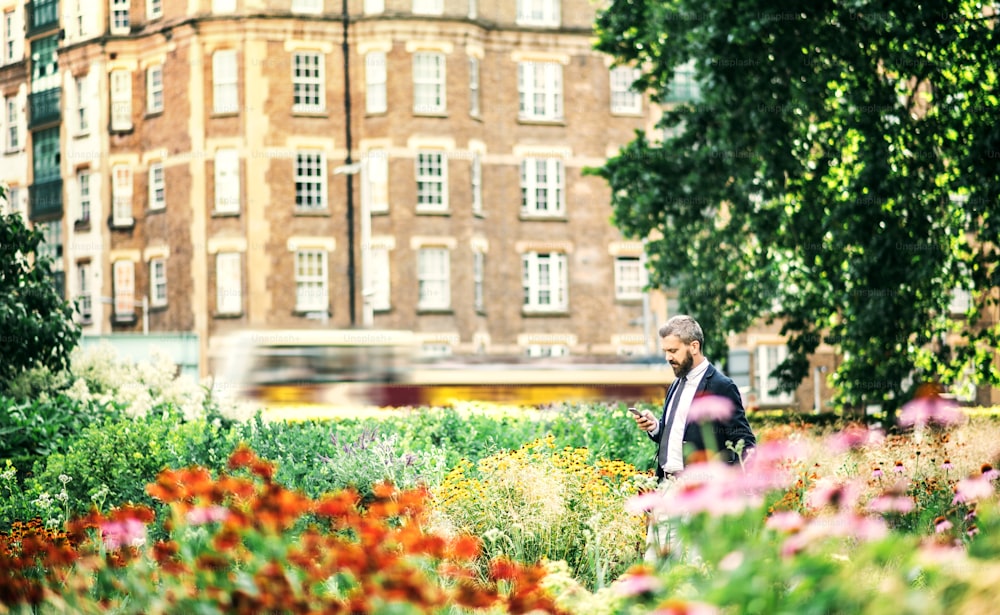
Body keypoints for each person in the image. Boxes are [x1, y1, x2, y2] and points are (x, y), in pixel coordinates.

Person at [633, 314, 756, 481]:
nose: (668, 357)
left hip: (701, 492)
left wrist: (732, 487)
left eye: (673, 351)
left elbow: (745, 442)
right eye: (666, 351)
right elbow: (679, 435)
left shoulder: (722, 386)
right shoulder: (675, 385)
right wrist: (654, 427)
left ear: (694, 346)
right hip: (666, 487)